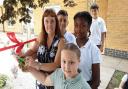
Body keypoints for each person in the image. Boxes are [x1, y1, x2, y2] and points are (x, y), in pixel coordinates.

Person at [18, 9, 65, 89]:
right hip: (40, 80)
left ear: (56, 23)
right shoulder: (41, 36)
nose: (49, 24)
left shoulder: (61, 41)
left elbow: (56, 65)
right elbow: (33, 50)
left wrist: (36, 65)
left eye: (52, 21)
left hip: (54, 83)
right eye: (46, 21)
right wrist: (21, 57)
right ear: (43, 23)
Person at [25, 43, 91, 89]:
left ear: (78, 62)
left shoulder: (84, 86)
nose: (67, 67)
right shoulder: (58, 73)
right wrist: (30, 69)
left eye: (71, 62)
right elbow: (45, 80)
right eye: (64, 61)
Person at [73, 11, 101, 89]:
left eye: (83, 26)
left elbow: (96, 81)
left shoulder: (94, 49)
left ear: (88, 27)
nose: (79, 29)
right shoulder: (70, 45)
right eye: (76, 25)